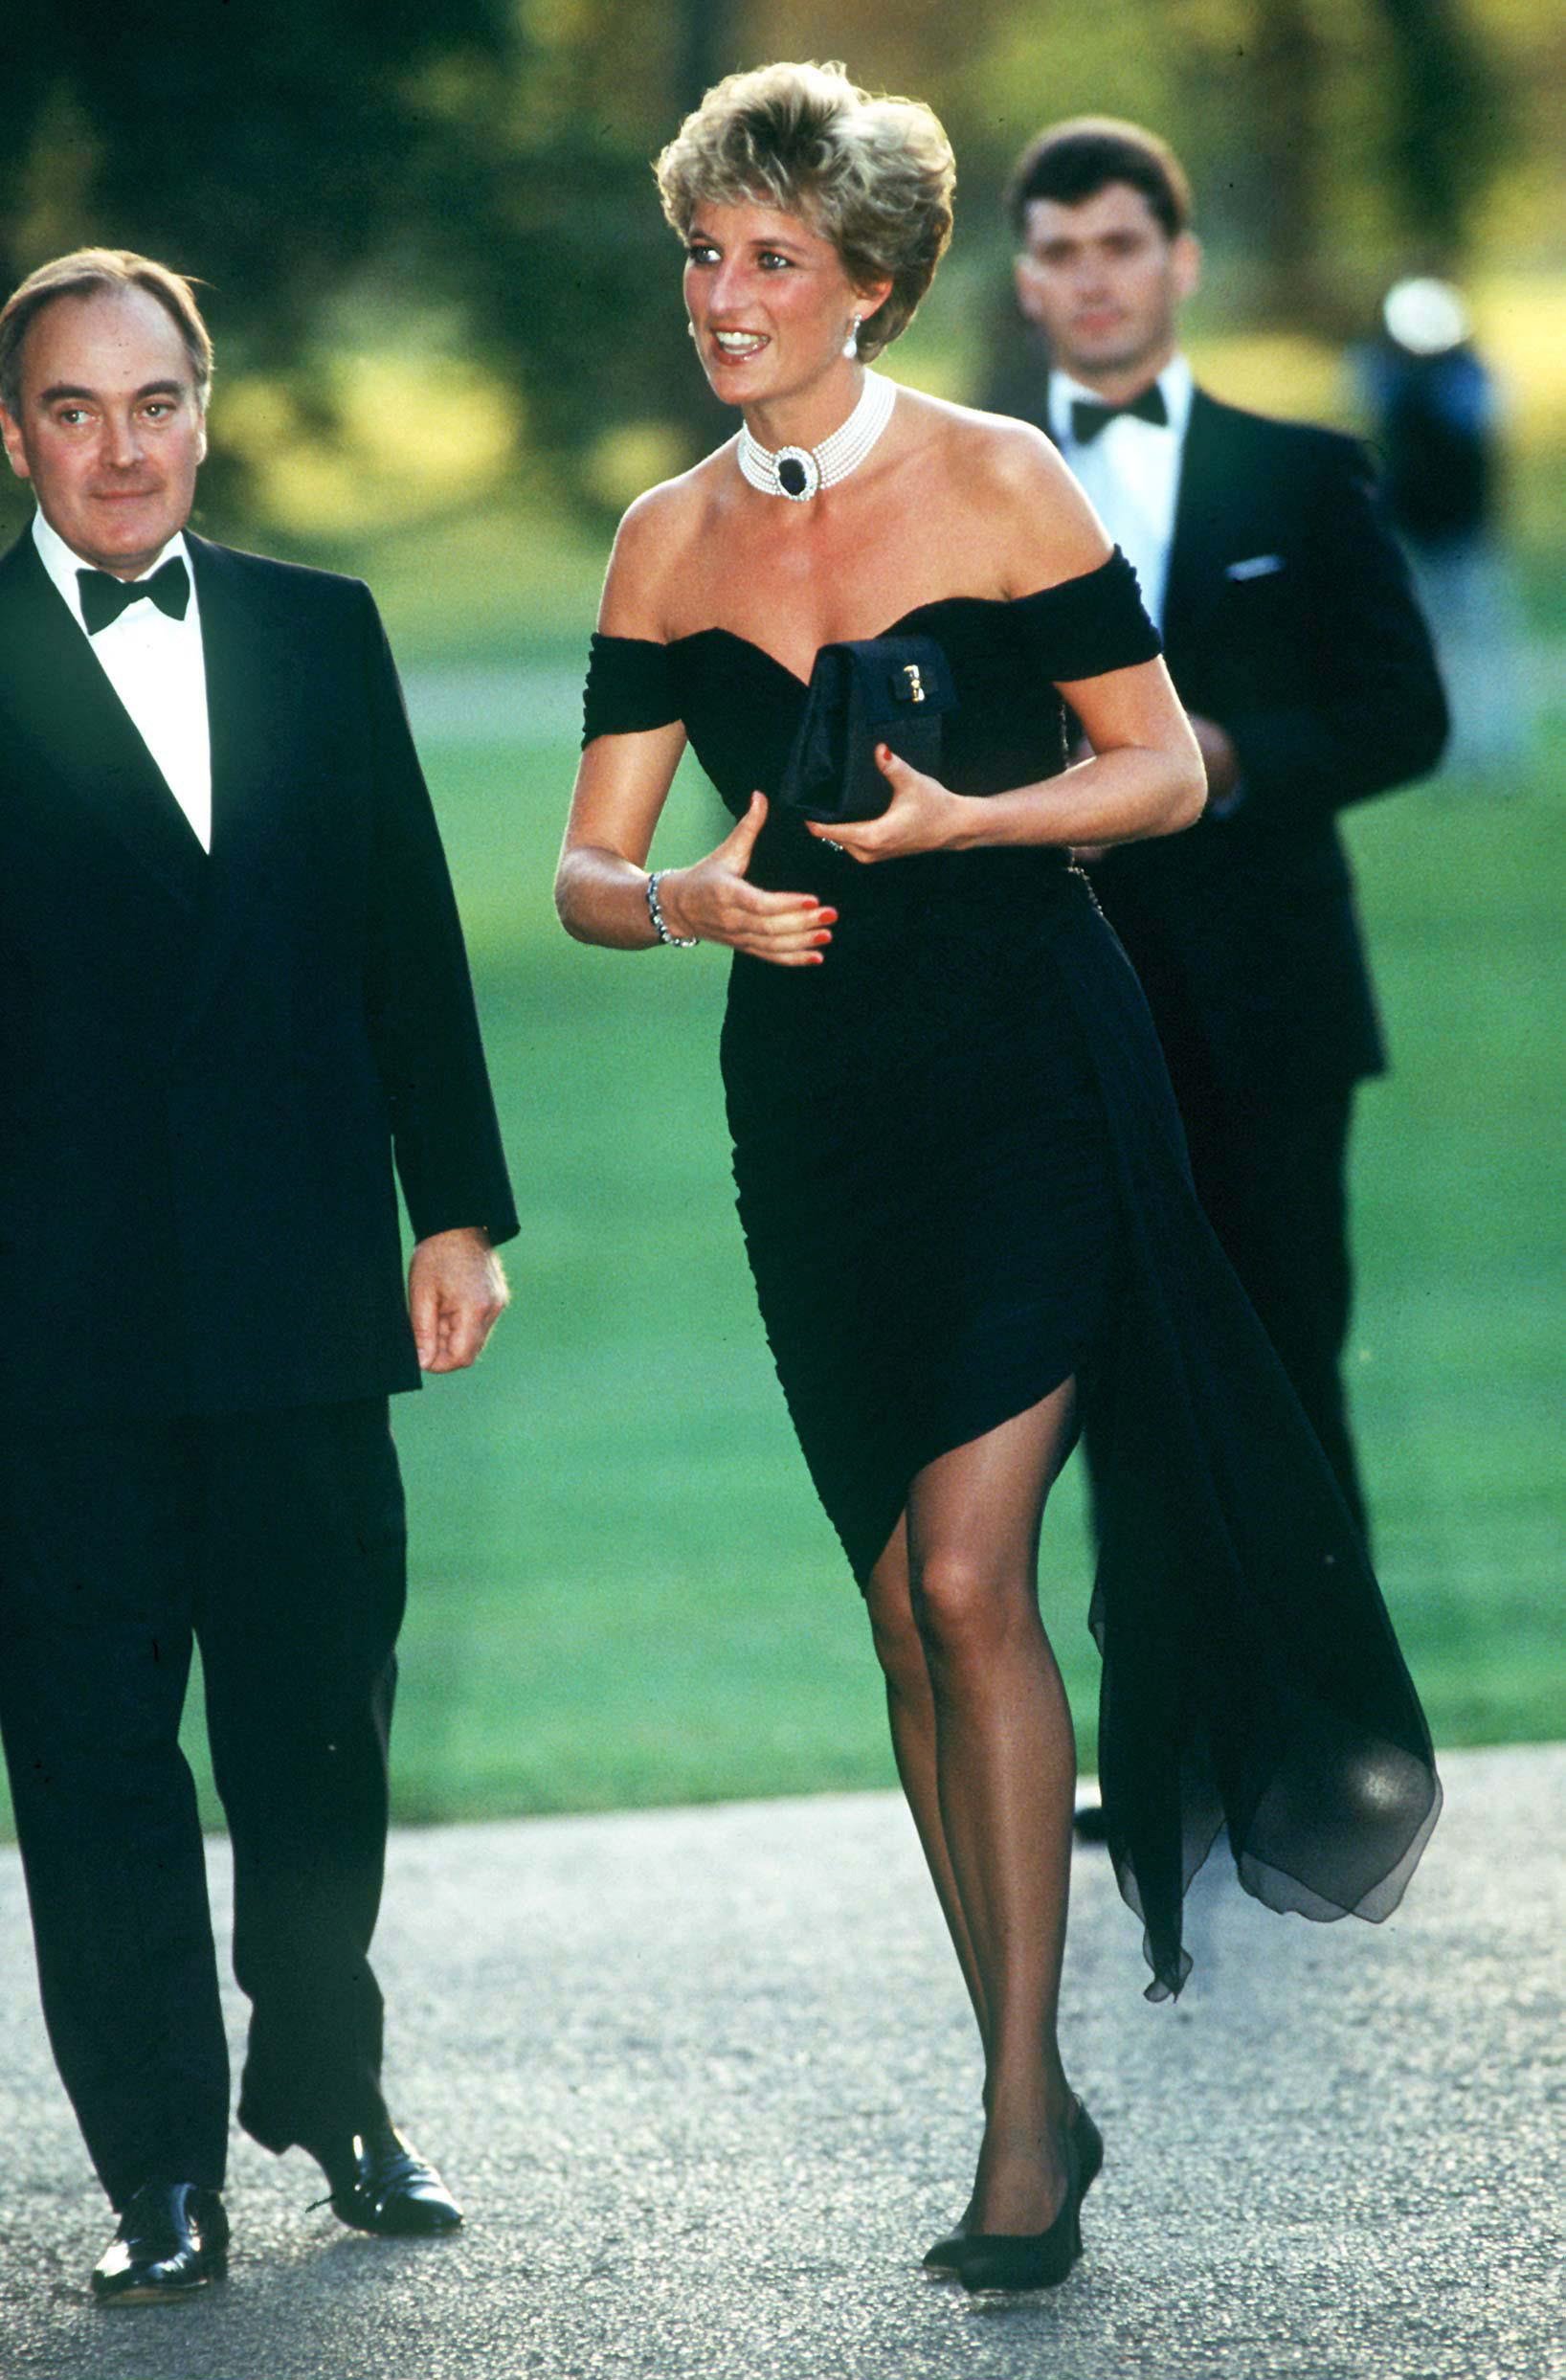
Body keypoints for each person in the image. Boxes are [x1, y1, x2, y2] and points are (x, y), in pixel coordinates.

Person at [555, 63, 1440, 2295]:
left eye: (768, 258)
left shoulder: (997, 474)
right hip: (814, 1114)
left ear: (868, 279)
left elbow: (1149, 776)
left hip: (1034, 1070)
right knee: (894, 1609)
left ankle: (1011, 2129)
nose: (721, 294)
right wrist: (682, 906)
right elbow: (583, 862)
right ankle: (1028, 2073)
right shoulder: (662, 535)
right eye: (702, 252)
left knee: (969, 1585)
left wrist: (968, 825)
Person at [0, 250, 517, 2303]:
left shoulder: (321, 628)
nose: (115, 449)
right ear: (16, 428)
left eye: (150, 402)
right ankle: (157, 2168)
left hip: (307, 1288)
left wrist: (456, 1205)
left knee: (321, 1729)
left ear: (207, 407)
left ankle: (327, 2082)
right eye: (68, 407)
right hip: (49, 1325)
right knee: (95, 1751)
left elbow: (404, 925)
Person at [996, 118, 1449, 1553]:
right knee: (1118, 1393)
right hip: (1066, 1011)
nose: (1094, 280)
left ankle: (1338, 1773)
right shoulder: (969, 492)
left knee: (1293, 1368)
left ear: (1180, 260)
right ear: (1023, 280)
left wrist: (1237, 756)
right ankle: (1158, 1777)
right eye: (1062, 253)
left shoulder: (1304, 475)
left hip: (1273, 1004)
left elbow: (1405, 713)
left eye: (1120, 245)